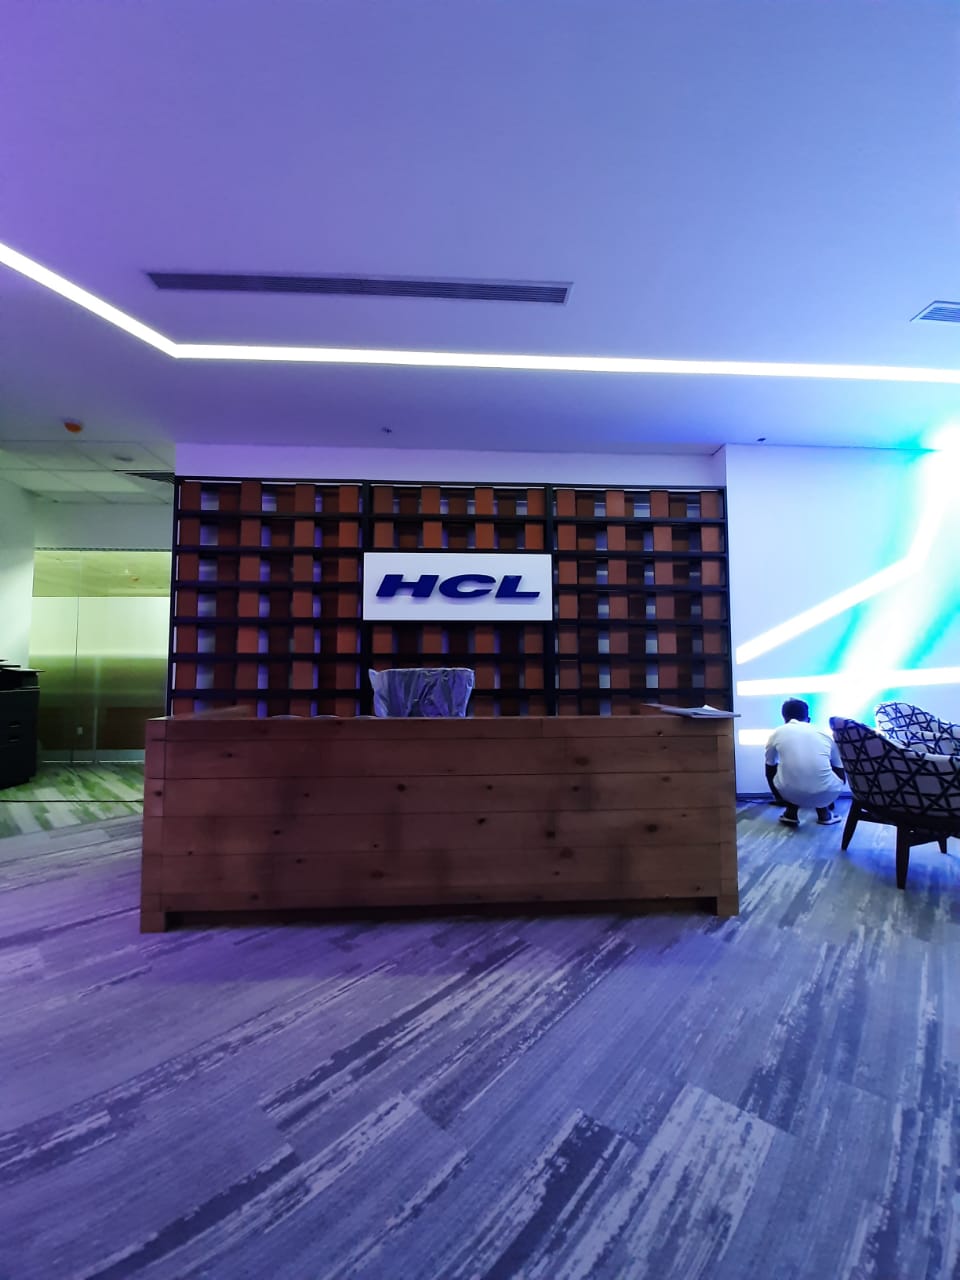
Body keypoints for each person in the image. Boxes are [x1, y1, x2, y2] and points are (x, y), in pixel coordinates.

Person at [764, 697, 844, 827]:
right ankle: (824, 812)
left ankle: (790, 812)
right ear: (808, 718)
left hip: (789, 793)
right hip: (828, 792)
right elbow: (839, 767)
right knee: (825, 765)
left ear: (784, 718)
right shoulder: (824, 733)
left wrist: (778, 797)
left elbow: (769, 767)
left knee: (778, 766)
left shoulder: (777, 733)